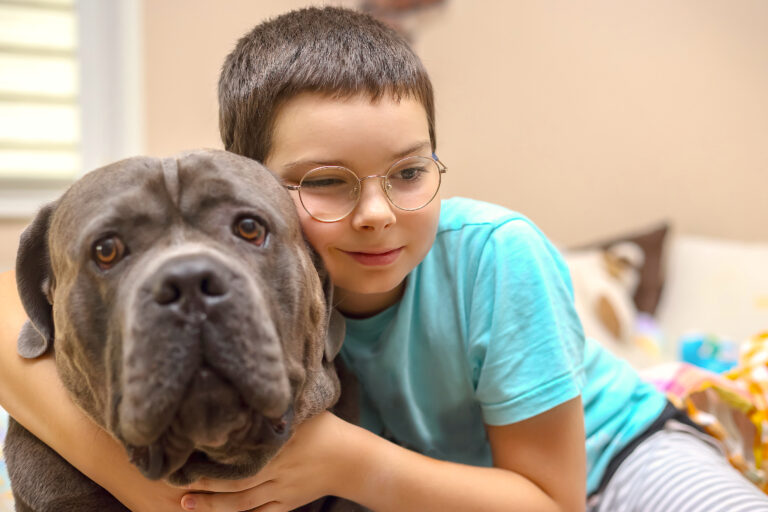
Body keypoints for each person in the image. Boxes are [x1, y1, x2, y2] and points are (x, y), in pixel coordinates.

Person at [0, 6, 766, 512]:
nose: (375, 214)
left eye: (408, 172)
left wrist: (344, 462)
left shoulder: (500, 256)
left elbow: (554, 500)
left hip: (606, 457)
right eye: (326, 182)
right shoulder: (274, 273)